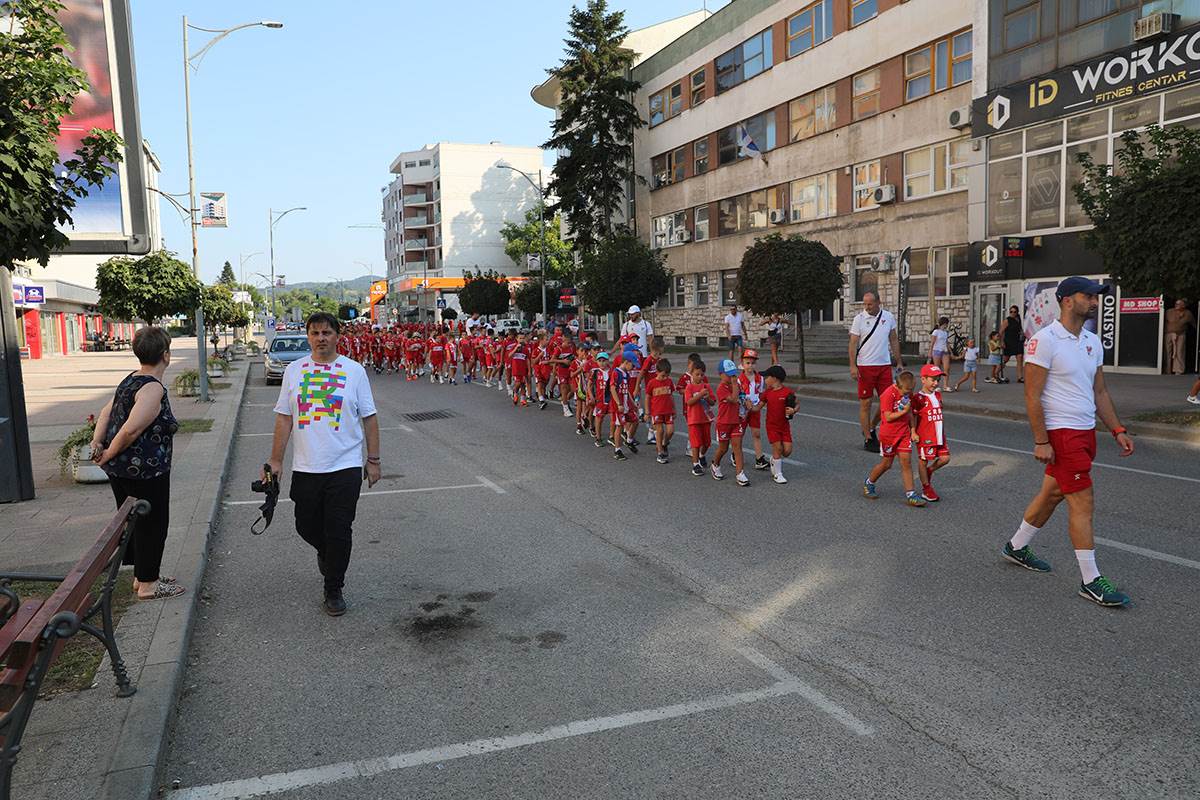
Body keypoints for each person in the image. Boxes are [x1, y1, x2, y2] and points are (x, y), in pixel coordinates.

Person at [1003, 277, 1134, 608]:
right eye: (1087, 295)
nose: (1094, 301)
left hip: (1085, 430)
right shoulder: (1044, 341)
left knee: (1052, 493)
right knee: (1082, 500)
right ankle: (1091, 580)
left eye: (1095, 296)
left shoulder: (1092, 341)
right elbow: (1032, 395)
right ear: (1066, 300)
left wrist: (1117, 429)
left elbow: (1099, 391)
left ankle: (1016, 546)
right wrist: (1041, 440)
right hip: (1061, 433)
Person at [267, 312, 381, 617]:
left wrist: (373, 460)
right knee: (305, 525)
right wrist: (276, 460)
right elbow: (284, 417)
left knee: (340, 529)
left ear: (337, 336)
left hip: (344, 466)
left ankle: (334, 588)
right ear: (308, 337)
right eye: (315, 333)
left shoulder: (354, 371)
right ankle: (326, 553)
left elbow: (369, 417)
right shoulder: (294, 371)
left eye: (327, 332)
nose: (321, 338)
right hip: (306, 468)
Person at [91, 326, 185, 601]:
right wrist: (105, 453)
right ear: (165, 355)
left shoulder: (131, 378)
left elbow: (106, 412)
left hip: (121, 471)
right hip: (144, 471)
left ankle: (141, 575)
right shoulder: (152, 389)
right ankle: (149, 584)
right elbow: (131, 430)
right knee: (153, 524)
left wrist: (98, 444)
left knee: (134, 522)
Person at [848, 291, 902, 451]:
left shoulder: (888, 317)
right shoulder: (859, 319)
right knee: (866, 403)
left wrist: (898, 361)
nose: (867, 307)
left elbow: (893, 339)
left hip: (884, 365)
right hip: (865, 366)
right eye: (865, 304)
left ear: (878, 302)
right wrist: (852, 366)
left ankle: (872, 426)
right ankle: (868, 438)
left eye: (870, 304)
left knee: (888, 402)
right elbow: (852, 344)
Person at [862, 370, 925, 507]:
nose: (908, 395)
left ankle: (911, 494)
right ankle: (869, 482)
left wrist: (913, 430)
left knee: (906, 463)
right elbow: (888, 417)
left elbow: (910, 414)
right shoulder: (888, 394)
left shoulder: (908, 392)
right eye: (906, 392)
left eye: (911, 392)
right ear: (897, 386)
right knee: (886, 464)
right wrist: (903, 411)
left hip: (903, 434)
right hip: (888, 435)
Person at [913, 365, 950, 502]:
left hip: (939, 435)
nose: (936, 383)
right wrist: (913, 432)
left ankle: (929, 471)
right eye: (933, 380)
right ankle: (926, 488)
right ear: (923, 379)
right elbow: (913, 416)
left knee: (945, 458)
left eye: (938, 380)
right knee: (923, 461)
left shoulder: (938, 395)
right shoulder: (918, 398)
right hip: (925, 436)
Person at [712, 359, 749, 485]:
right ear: (721, 374)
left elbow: (741, 397)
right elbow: (733, 399)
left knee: (737, 447)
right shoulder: (721, 388)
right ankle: (715, 464)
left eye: (734, 374)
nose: (732, 377)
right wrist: (735, 385)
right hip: (724, 423)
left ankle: (740, 473)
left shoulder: (736, 385)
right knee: (723, 448)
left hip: (736, 421)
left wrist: (746, 401)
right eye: (729, 375)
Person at [759, 365, 797, 485]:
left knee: (787, 451)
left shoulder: (787, 392)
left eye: (766, 377)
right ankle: (778, 474)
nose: (765, 380)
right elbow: (758, 406)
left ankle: (774, 460)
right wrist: (750, 407)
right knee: (778, 448)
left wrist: (794, 410)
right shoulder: (767, 393)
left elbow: (797, 404)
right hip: (772, 426)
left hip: (784, 426)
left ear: (774, 378)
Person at [738, 349, 769, 471]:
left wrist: (759, 404)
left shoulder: (760, 379)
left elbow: (761, 393)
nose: (750, 366)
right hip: (742, 410)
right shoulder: (739, 379)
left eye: (752, 363)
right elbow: (738, 394)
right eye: (747, 363)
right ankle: (736, 454)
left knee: (756, 433)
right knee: (740, 434)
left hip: (755, 409)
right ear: (743, 363)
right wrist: (744, 402)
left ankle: (759, 458)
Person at [683, 359, 714, 477]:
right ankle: (695, 464)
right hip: (694, 419)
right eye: (697, 374)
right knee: (695, 443)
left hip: (706, 418)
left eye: (702, 374)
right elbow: (689, 402)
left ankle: (702, 455)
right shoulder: (689, 388)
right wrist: (700, 395)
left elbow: (712, 402)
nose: (700, 377)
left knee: (706, 442)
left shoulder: (706, 386)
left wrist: (706, 397)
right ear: (692, 374)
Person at [646, 358, 676, 464]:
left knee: (670, 431)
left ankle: (664, 444)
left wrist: (674, 409)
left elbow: (671, 395)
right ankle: (660, 452)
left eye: (667, 375)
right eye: (663, 375)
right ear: (657, 372)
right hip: (657, 411)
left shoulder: (669, 381)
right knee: (660, 431)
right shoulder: (652, 383)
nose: (665, 378)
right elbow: (648, 397)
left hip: (668, 411)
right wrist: (647, 412)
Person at [1164, 299, 1195, 375]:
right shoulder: (1169, 311)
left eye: (1179, 304)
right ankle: (1167, 370)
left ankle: (1179, 370)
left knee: (1179, 352)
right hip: (1169, 334)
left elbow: (1194, 323)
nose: (1177, 305)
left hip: (1181, 334)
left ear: (1184, 306)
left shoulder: (1188, 313)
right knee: (1167, 352)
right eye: (1176, 304)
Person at [999, 305, 1024, 383]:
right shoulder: (1007, 320)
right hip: (1009, 341)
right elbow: (1001, 332)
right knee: (1006, 359)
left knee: (1020, 357)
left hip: (1017, 341)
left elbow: (1020, 329)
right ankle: (995, 373)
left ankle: (1020, 377)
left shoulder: (1018, 319)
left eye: (1014, 312)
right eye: (1011, 312)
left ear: (1017, 312)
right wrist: (1002, 342)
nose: (1013, 313)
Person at [927, 317, 951, 392]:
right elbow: (932, 342)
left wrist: (951, 352)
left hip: (945, 351)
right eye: (946, 324)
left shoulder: (945, 333)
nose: (946, 325)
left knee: (947, 368)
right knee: (937, 369)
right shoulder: (936, 332)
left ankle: (945, 385)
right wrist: (930, 352)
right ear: (943, 324)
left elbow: (946, 343)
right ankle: (936, 385)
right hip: (936, 351)